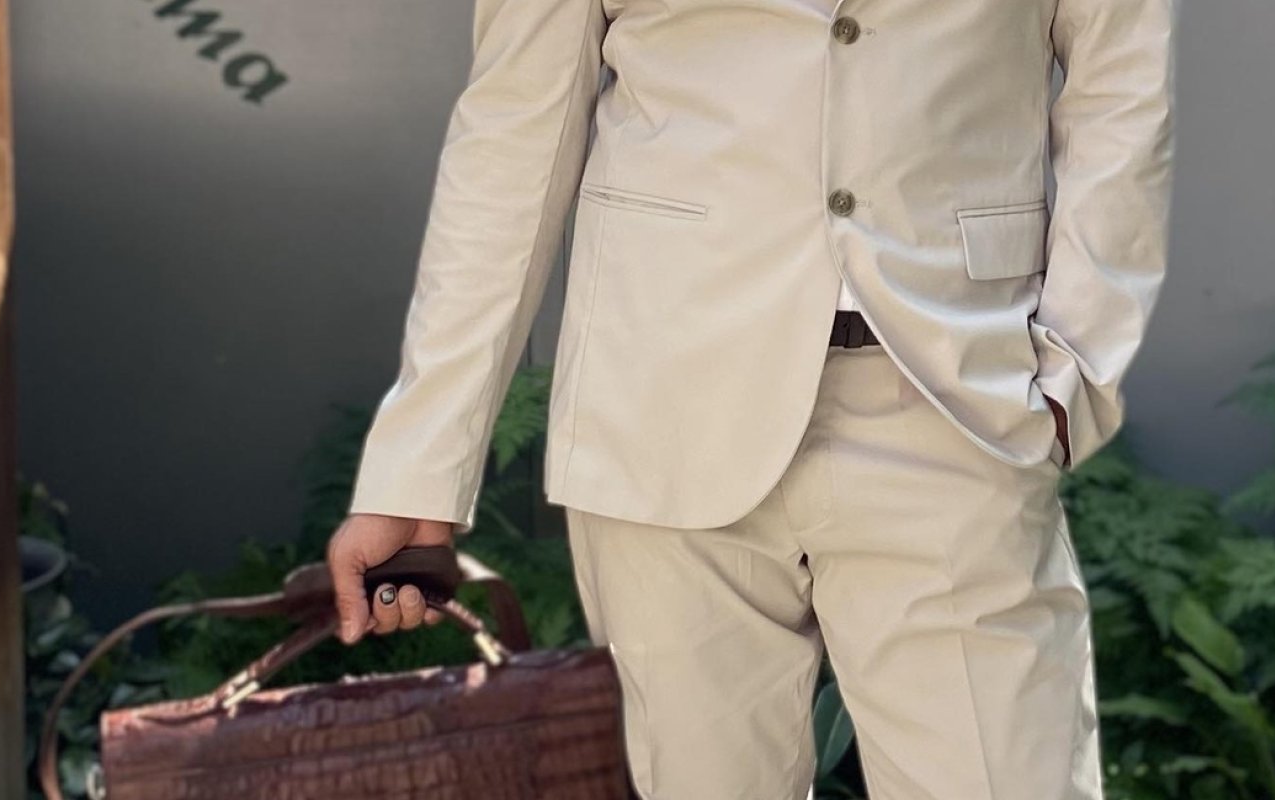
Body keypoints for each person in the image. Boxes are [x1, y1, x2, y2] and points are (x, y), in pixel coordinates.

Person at [324, 0, 1175, 796]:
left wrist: (1074, 370)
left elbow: (1121, 89)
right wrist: (419, 467)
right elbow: (513, 136)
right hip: (662, 404)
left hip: (954, 396)